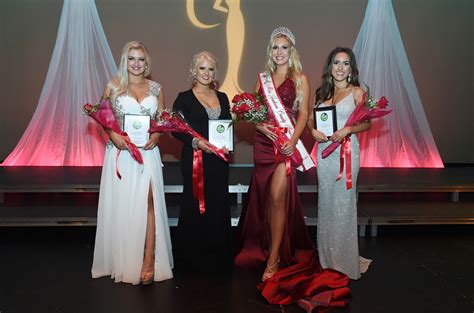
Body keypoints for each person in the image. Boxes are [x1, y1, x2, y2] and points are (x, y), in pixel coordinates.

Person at [235, 27, 349, 309]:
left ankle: (273, 259)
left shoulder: (300, 78)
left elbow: (304, 114)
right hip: (265, 144)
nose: (279, 52)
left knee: (277, 198)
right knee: (265, 198)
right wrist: (259, 125)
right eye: (275, 47)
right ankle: (269, 247)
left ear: (291, 51)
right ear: (270, 51)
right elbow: (254, 112)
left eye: (284, 47)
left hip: (287, 145)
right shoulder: (262, 79)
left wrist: (294, 140)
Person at [91, 41, 173, 285]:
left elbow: (161, 121)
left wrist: (157, 136)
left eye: (141, 59)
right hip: (121, 154)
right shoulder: (113, 87)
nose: (136, 64)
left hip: (147, 153)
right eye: (131, 59)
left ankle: (148, 260)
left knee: (149, 203)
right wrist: (113, 136)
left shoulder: (157, 89)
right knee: (124, 205)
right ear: (124, 61)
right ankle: (125, 259)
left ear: (147, 63)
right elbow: (104, 119)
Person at [307, 47, 372, 280]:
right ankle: (327, 257)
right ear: (330, 67)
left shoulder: (357, 92)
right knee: (326, 203)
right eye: (336, 63)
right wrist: (312, 131)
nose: (340, 68)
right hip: (325, 154)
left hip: (346, 154)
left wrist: (348, 129)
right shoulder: (321, 93)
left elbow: (367, 124)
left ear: (351, 68)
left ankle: (344, 260)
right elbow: (309, 119)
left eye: (345, 63)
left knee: (344, 204)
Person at [172, 51, 233, 274]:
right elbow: (175, 130)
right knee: (195, 203)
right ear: (193, 70)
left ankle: (218, 259)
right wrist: (197, 142)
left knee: (218, 204)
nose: (206, 73)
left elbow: (226, 128)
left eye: (210, 69)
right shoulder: (183, 98)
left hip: (218, 161)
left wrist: (227, 143)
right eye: (202, 68)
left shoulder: (224, 97)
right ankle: (193, 260)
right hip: (196, 160)